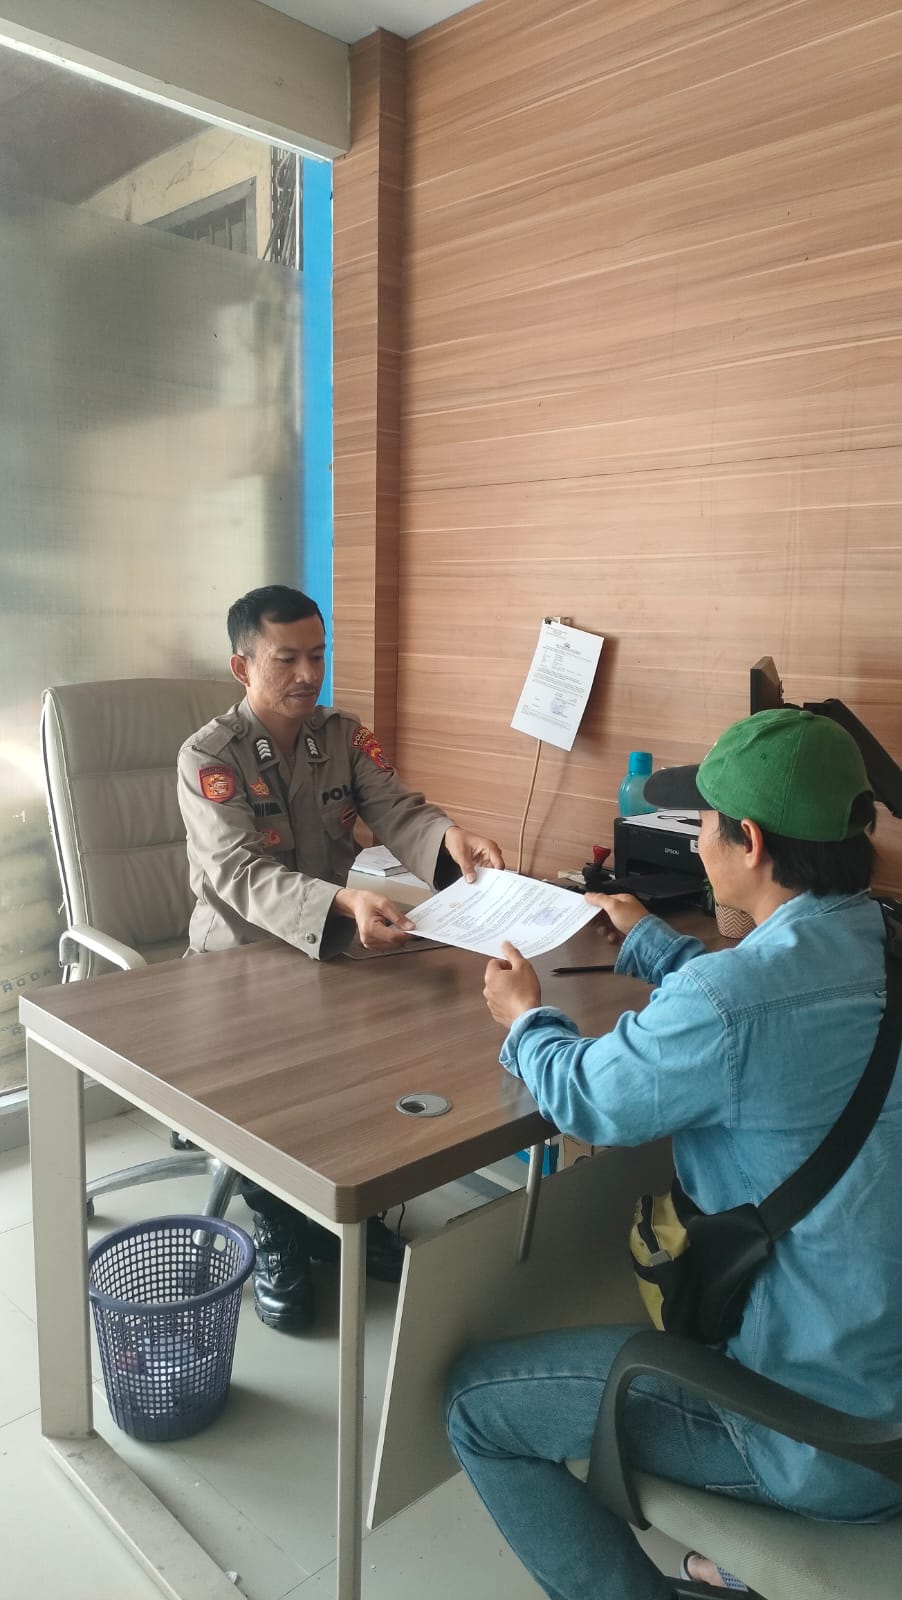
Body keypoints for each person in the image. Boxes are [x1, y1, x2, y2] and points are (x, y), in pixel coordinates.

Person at [445, 707, 902, 1599]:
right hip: (883, 1395)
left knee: (474, 1406)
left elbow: (588, 1096)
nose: (695, 840)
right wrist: (652, 942)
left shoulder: (734, 1000)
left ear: (750, 842)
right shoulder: (879, 940)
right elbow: (767, 1002)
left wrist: (524, 1016)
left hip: (816, 1438)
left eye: (703, 822)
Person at [177, 584, 503, 1332]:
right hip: (241, 959)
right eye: (286, 659)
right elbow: (238, 873)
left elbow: (399, 811)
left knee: (376, 1060)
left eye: (317, 656)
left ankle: (338, 1215)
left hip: (331, 941)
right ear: (242, 666)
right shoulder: (209, 758)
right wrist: (344, 902)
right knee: (269, 1089)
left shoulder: (343, 737)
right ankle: (278, 1227)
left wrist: (450, 841)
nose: (307, 675)